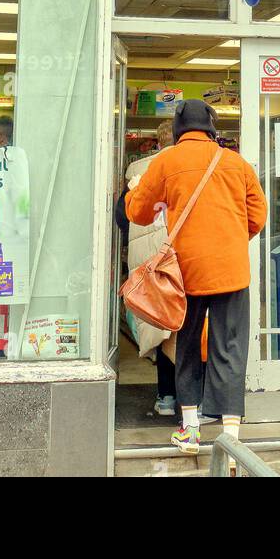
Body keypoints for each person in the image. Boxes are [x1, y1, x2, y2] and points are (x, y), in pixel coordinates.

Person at [126, 99, 266, 457]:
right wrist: (231, 241)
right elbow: (258, 217)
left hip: (184, 273)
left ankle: (190, 430)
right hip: (231, 270)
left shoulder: (167, 161)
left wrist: (134, 190)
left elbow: (139, 213)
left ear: (177, 128)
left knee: (185, 346)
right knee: (230, 348)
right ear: (212, 128)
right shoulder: (236, 163)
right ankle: (231, 436)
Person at [115, 120, 177, 416]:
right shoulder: (192, 168)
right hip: (181, 258)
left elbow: (121, 217)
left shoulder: (138, 171)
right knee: (186, 328)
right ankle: (194, 399)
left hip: (149, 262)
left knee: (159, 325)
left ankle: (166, 396)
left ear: (157, 141)